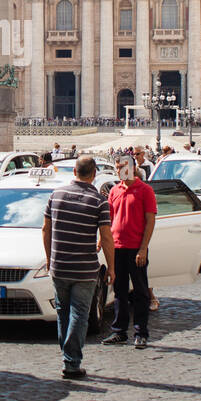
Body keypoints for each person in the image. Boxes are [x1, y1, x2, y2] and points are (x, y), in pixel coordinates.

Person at [43, 155, 115, 379]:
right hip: (84, 268)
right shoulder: (99, 201)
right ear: (94, 175)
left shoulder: (56, 194)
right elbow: (106, 236)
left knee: (63, 312)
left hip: (59, 265)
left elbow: (46, 229)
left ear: (74, 171)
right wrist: (111, 267)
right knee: (79, 314)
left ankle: (68, 356)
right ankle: (72, 362)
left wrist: (49, 258)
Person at [101, 154, 157, 348]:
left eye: (122, 166)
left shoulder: (145, 190)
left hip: (136, 248)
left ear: (132, 168)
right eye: (117, 167)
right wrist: (102, 239)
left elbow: (150, 221)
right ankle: (119, 331)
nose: (119, 170)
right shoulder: (114, 190)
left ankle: (141, 332)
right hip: (117, 248)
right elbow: (108, 219)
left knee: (141, 292)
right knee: (119, 291)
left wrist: (143, 248)